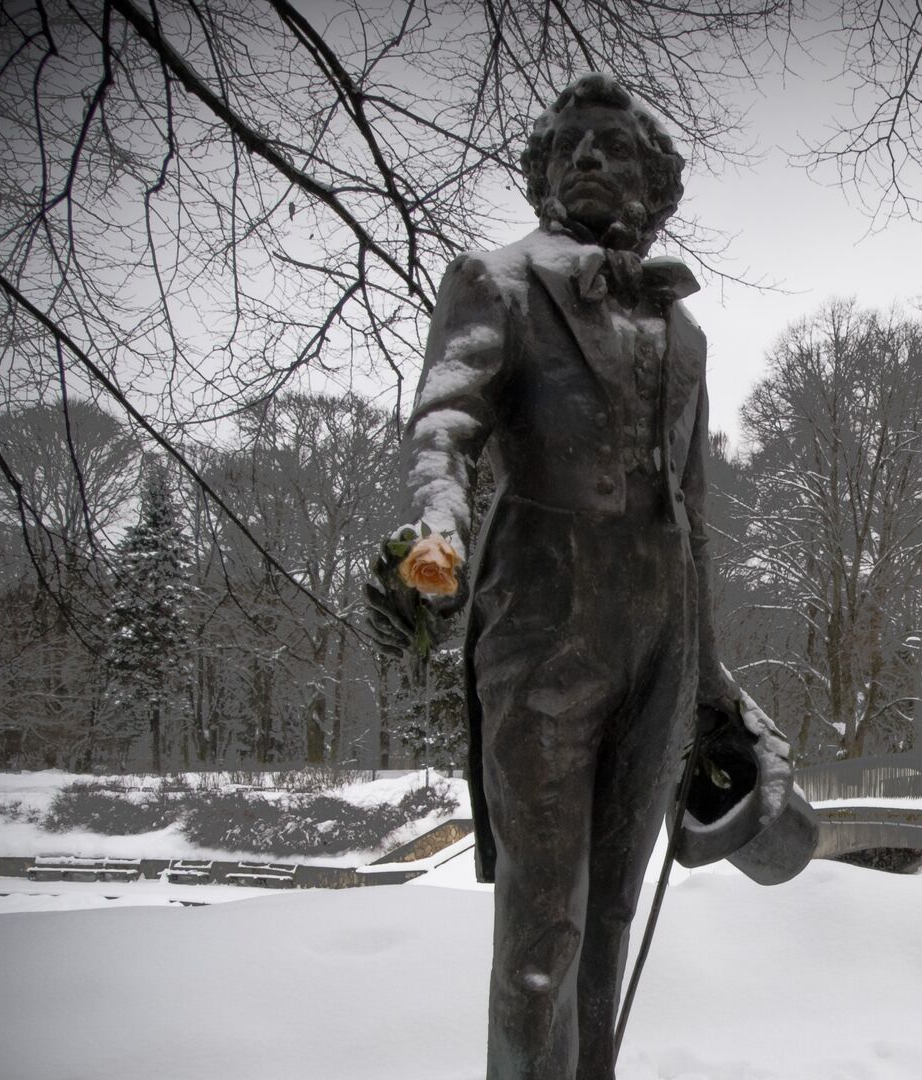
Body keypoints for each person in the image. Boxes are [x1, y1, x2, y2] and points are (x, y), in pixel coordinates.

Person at [370, 72, 741, 1080]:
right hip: (543, 622)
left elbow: (692, 510)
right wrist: (434, 530)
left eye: (613, 148)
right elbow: (447, 422)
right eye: (569, 146)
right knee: (542, 930)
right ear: (540, 174)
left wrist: (713, 684)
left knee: (610, 919)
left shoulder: (686, 332)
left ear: (653, 184)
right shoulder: (496, 283)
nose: (587, 160)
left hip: (658, 635)